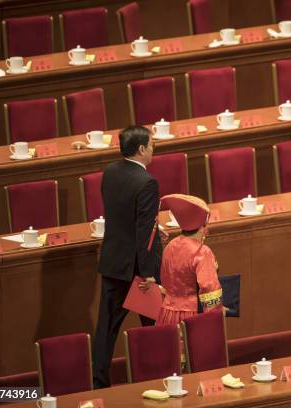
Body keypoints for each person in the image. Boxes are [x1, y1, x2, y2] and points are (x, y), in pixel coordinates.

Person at [92, 126, 164, 389]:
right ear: (142, 149)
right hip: (137, 269)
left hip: (113, 262)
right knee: (155, 329)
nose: (154, 148)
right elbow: (143, 232)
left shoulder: (110, 172)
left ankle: (99, 384)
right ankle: (159, 378)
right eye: (152, 144)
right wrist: (148, 275)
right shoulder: (147, 182)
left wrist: (157, 227)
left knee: (106, 330)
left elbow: (122, 214)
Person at [156, 194, 223, 327]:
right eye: (206, 225)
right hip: (192, 316)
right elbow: (210, 289)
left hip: (167, 314)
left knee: (171, 347)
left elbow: (165, 280)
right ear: (203, 228)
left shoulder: (170, 245)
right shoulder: (202, 252)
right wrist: (217, 316)